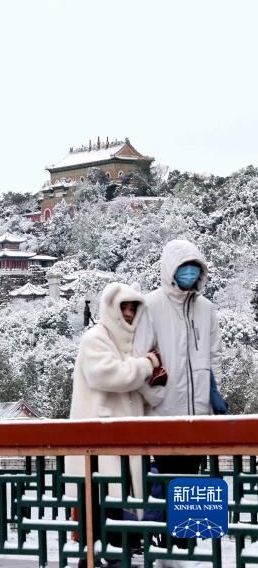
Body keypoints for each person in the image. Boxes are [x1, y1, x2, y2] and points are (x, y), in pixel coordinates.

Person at [133, 240, 223, 565]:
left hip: (200, 417)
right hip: (163, 417)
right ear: (170, 268)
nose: (190, 272)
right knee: (166, 482)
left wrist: (215, 397)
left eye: (195, 267)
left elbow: (215, 358)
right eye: (184, 266)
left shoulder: (207, 309)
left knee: (192, 485)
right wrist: (155, 396)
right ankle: (163, 550)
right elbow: (140, 358)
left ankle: (183, 552)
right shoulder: (151, 305)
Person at [68, 282, 163, 568]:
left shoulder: (135, 344)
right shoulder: (95, 338)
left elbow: (143, 389)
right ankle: (97, 550)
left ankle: (120, 548)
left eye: (134, 308)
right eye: (125, 307)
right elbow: (109, 376)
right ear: (111, 308)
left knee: (126, 496)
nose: (130, 313)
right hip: (97, 440)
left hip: (127, 439)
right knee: (99, 497)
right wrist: (146, 366)